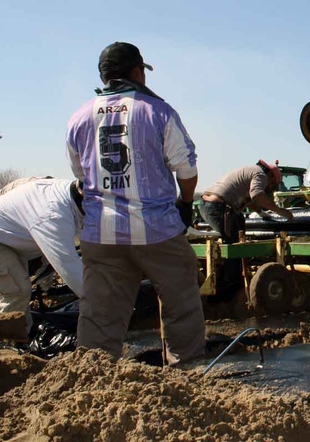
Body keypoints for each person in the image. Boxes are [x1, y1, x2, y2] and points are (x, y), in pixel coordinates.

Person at [66, 41, 204, 366]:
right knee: (180, 298)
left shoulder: (79, 117)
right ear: (136, 72)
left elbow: (81, 175)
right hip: (157, 231)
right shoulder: (157, 111)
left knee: (100, 314)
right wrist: (185, 203)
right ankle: (186, 374)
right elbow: (186, 168)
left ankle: (91, 380)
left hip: (100, 234)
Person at [0, 178, 85, 339]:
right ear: (82, 193)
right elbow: (69, 267)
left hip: (16, 236)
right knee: (15, 290)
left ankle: (21, 335)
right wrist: (105, 304)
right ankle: (12, 345)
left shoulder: (72, 196)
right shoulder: (53, 214)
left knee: (22, 283)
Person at [199, 160, 294, 243]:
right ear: (270, 175)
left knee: (239, 220)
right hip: (218, 207)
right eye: (272, 183)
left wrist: (260, 212)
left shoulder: (251, 171)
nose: (270, 187)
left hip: (206, 205)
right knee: (234, 244)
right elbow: (257, 194)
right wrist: (278, 210)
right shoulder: (261, 174)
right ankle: (234, 264)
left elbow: (249, 200)